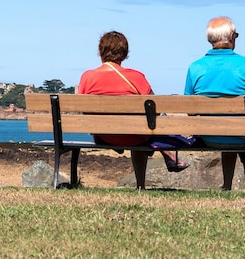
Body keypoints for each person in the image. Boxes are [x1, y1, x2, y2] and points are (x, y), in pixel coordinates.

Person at [78, 31, 189, 189]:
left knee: (137, 127)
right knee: (142, 126)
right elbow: (156, 108)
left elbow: (83, 111)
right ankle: (142, 183)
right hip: (135, 136)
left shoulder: (87, 77)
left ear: (100, 51)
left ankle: (165, 156)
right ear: (125, 54)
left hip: (103, 136)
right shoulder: (136, 77)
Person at [184, 16, 245, 191]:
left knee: (227, 127)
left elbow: (189, 111)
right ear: (230, 36)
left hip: (209, 137)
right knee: (241, 127)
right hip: (244, 137)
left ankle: (227, 185)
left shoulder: (195, 67)